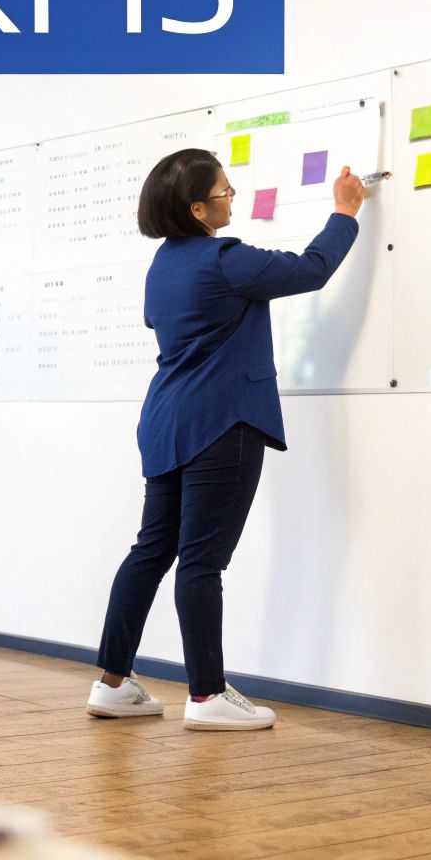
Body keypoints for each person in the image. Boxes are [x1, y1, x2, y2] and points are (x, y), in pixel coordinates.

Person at [85, 148, 380, 730]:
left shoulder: (162, 266)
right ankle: (207, 696)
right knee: (201, 562)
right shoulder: (225, 259)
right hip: (222, 422)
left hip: (166, 420)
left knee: (152, 550)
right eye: (224, 191)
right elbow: (311, 269)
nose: (232, 198)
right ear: (197, 209)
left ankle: (112, 684)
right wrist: (345, 212)